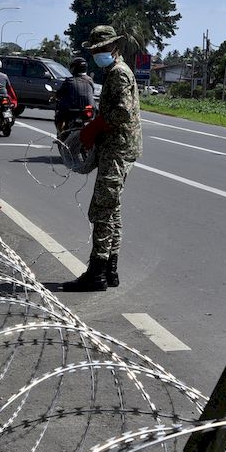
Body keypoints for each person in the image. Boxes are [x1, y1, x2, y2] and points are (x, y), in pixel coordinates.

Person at [63, 26, 142, 292]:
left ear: (114, 47)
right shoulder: (114, 71)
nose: (98, 54)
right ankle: (110, 270)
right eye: (96, 50)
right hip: (117, 147)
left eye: (102, 49)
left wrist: (94, 128)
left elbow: (122, 113)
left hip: (117, 149)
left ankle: (97, 272)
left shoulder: (119, 73)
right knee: (113, 209)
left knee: (102, 209)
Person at [53, 56, 96, 133]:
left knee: (59, 114)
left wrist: (55, 97)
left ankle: (61, 133)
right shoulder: (90, 80)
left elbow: (59, 94)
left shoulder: (69, 81)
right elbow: (92, 92)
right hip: (88, 108)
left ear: (74, 68)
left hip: (71, 109)